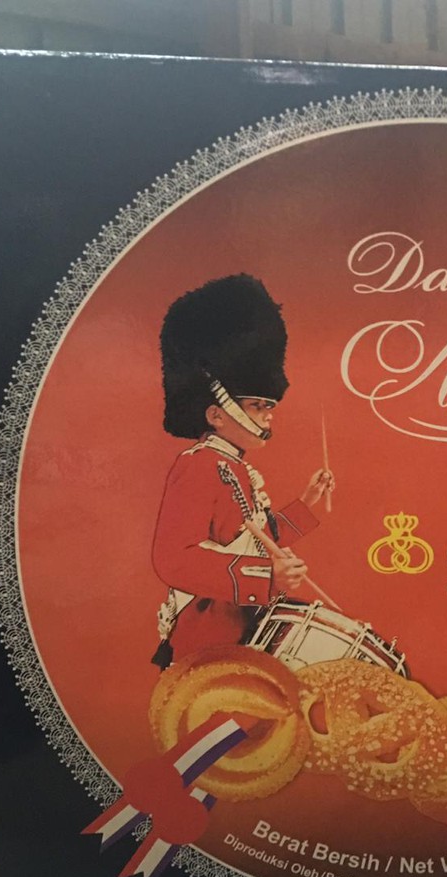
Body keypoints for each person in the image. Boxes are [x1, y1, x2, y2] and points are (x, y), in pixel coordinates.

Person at [151, 274, 333, 667]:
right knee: (228, 713)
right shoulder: (198, 466)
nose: (268, 416)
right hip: (206, 629)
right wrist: (266, 577)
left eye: (269, 407)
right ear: (216, 414)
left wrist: (306, 503)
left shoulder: (234, 468)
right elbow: (174, 559)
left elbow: (255, 539)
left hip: (239, 621)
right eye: (257, 406)